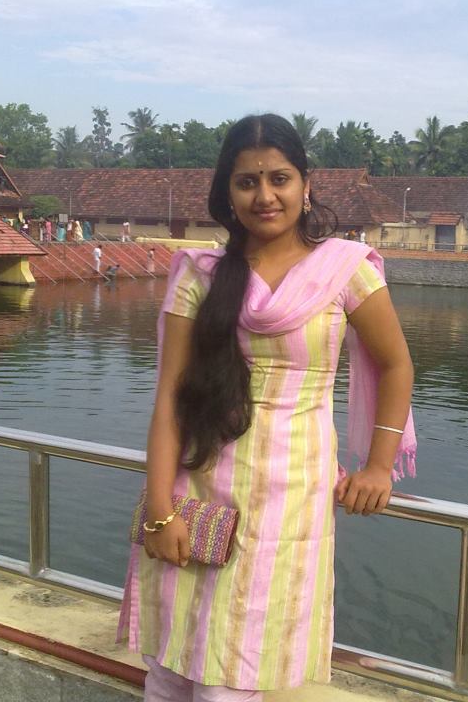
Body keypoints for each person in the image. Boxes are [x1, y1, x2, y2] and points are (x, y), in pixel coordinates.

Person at [118, 114, 416, 701]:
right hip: (197, 485)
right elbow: (171, 397)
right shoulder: (201, 275)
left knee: (235, 676)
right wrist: (159, 511)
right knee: (171, 670)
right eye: (247, 182)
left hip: (291, 497)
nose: (265, 196)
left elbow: (396, 365)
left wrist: (380, 466)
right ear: (227, 193)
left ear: (306, 185)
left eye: (279, 178)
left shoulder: (345, 270)